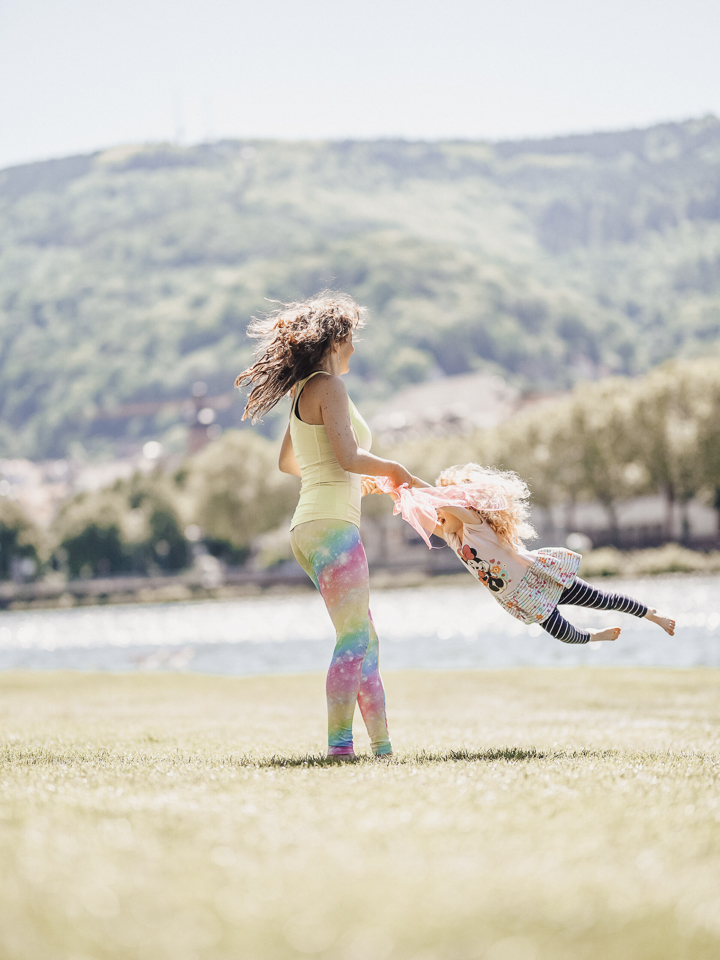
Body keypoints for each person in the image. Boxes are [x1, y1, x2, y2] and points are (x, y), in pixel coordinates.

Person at [235, 293, 420, 758]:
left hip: (311, 524)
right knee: (354, 637)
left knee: (364, 637)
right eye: (352, 340)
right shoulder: (330, 387)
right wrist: (393, 471)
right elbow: (348, 455)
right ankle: (340, 747)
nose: (354, 350)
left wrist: (351, 481)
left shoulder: (303, 391)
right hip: (332, 527)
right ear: (335, 341)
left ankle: (382, 747)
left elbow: (289, 462)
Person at [368, 463, 675, 644]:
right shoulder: (451, 535)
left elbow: (437, 498)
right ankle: (595, 637)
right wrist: (392, 490)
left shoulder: (475, 525)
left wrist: (402, 477)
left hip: (536, 576)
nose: (437, 512)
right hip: (516, 596)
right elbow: (419, 511)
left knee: (601, 599)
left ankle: (652, 614)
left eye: (442, 508)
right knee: (563, 634)